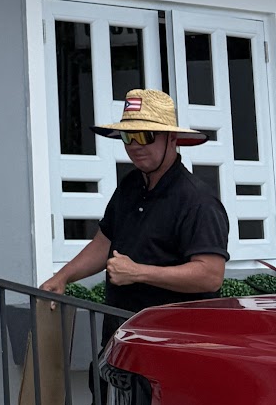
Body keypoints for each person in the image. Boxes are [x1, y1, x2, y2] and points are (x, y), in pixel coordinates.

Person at [40, 88, 229, 318]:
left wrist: (139, 272)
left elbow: (210, 275)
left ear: (172, 138)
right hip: (122, 330)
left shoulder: (198, 200)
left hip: (171, 334)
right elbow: (104, 243)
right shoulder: (130, 185)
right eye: (128, 136)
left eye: (145, 135)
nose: (134, 145)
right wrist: (62, 277)